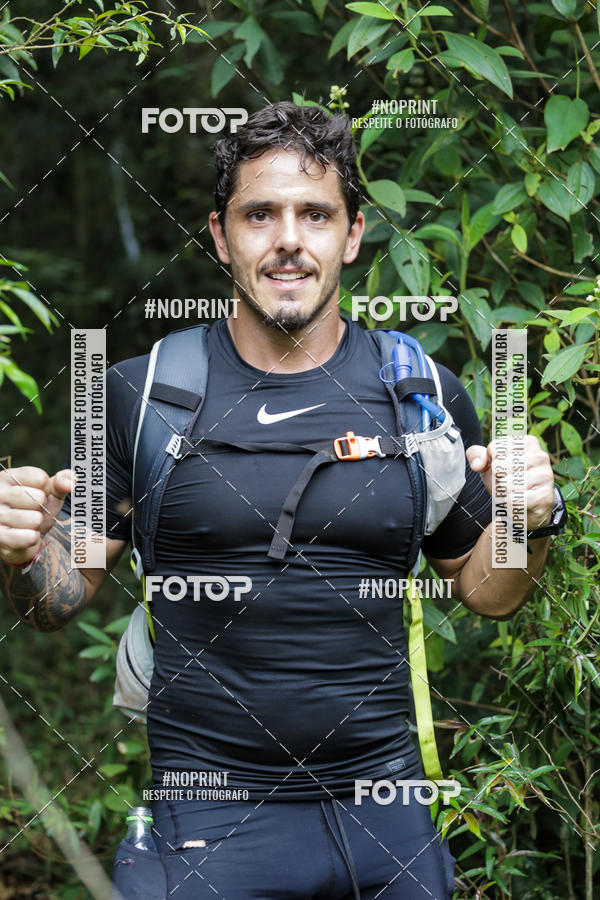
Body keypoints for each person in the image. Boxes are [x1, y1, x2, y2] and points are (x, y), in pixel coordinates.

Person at [0, 102, 558, 899]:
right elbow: (54, 603)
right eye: (260, 213)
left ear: (353, 234)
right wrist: (20, 551)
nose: (289, 238)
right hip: (210, 825)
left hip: (385, 812)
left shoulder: (423, 393)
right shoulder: (137, 392)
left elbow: (486, 589)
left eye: (315, 214)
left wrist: (532, 524)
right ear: (222, 236)